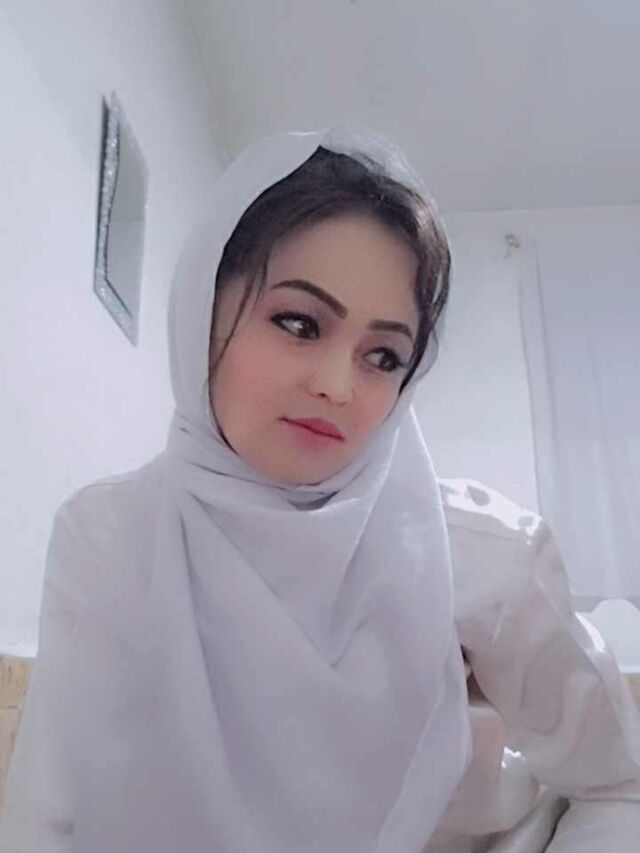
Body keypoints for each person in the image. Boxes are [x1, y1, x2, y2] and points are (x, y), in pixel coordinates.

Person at [1, 125, 639, 852]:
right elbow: (46, 817)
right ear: (203, 311)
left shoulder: (477, 555)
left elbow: (620, 784)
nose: (338, 385)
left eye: (384, 356)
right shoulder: (111, 535)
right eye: (299, 323)